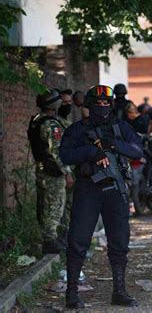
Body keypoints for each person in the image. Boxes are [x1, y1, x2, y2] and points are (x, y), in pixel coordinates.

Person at [59, 85, 143, 309]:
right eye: (98, 103)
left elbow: (137, 150)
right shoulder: (77, 130)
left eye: (106, 103)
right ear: (89, 105)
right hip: (88, 189)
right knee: (78, 240)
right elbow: (65, 155)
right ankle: (72, 293)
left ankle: (119, 291)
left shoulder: (120, 128)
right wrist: (90, 152)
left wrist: (113, 144)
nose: (103, 107)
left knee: (119, 241)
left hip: (115, 190)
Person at [27, 89, 67, 254]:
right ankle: (49, 240)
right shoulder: (51, 124)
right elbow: (56, 151)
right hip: (52, 170)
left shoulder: (36, 120)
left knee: (43, 203)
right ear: (54, 104)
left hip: (40, 167)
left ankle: (48, 237)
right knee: (55, 204)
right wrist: (67, 172)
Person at [57, 89, 75, 246]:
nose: (67, 105)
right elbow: (58, 151)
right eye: (64, 102)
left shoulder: (67, 123)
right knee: (60, 208)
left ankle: (69, 239)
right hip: (61, 172)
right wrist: (67, 173)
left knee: (71, 206)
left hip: (72, 170)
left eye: (69, 102)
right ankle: (62, 240)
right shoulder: (55, 124)